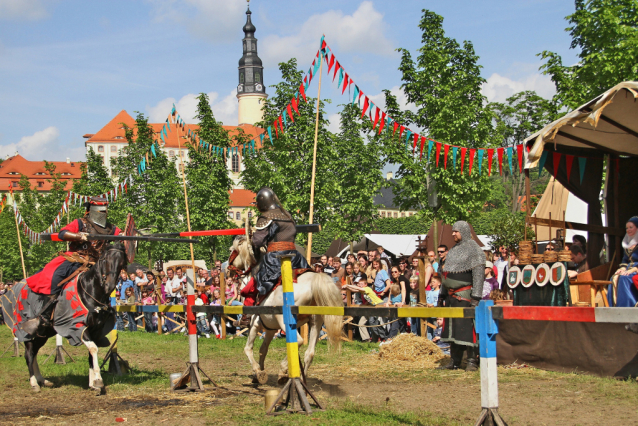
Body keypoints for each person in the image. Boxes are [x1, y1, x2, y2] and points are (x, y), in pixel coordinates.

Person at [22, 196, 122, 334]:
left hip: (97, 264)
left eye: (103, 210)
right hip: (75, 259)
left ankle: (103, 316)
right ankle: (44, 316)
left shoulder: (111, 228)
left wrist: (126, 236)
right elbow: (63, 233)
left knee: (107, 283)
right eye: (99, 210)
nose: (102, 213)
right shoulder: (80, 223)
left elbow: (121, 237)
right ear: (90, 210)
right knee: (54, 276)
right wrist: (78, 236)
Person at [437, 221, 484, 372]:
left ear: (463, 231)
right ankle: (454, 361)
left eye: (455, 231)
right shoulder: (453, 250)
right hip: (451, 297)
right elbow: (446, 275)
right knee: (452, 330)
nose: (453, 234)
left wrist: (475, 298)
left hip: (464, 297)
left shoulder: (474, 250)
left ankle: (471, 361)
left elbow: (478, 275)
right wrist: (442, 295)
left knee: (467, 329)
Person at [251, 187, 310, 297]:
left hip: (275, 258)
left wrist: (253, 237)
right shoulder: (287, 215)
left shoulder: (266, 216)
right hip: (295, 256)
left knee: (260, 282)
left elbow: (258, 241)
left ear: (262, 202)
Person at [609, 217, 638, 307]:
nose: (628, 230)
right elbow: (625, 260)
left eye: (631, 227)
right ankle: (613, 307)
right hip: (629, 268)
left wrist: (632, 270)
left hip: (636, 269)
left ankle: (628, 305)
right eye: (627, 228)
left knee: (624, 278)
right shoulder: (627, 243)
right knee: (614, 277)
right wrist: (622, 268)